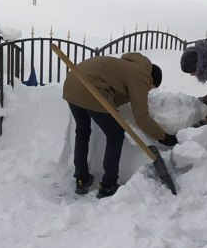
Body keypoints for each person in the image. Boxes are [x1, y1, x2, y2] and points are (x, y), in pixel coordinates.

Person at [62, 53, 177, 198]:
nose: (148, 91)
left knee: (82, 130)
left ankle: (81, 178)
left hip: (73, 84)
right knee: (115, 134)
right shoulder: (141, 76)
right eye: (150, 88)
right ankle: (108, 185)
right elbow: (141, 117)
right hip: (91, 89)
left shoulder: (129, 66)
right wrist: (164, 137)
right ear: (150, 80)